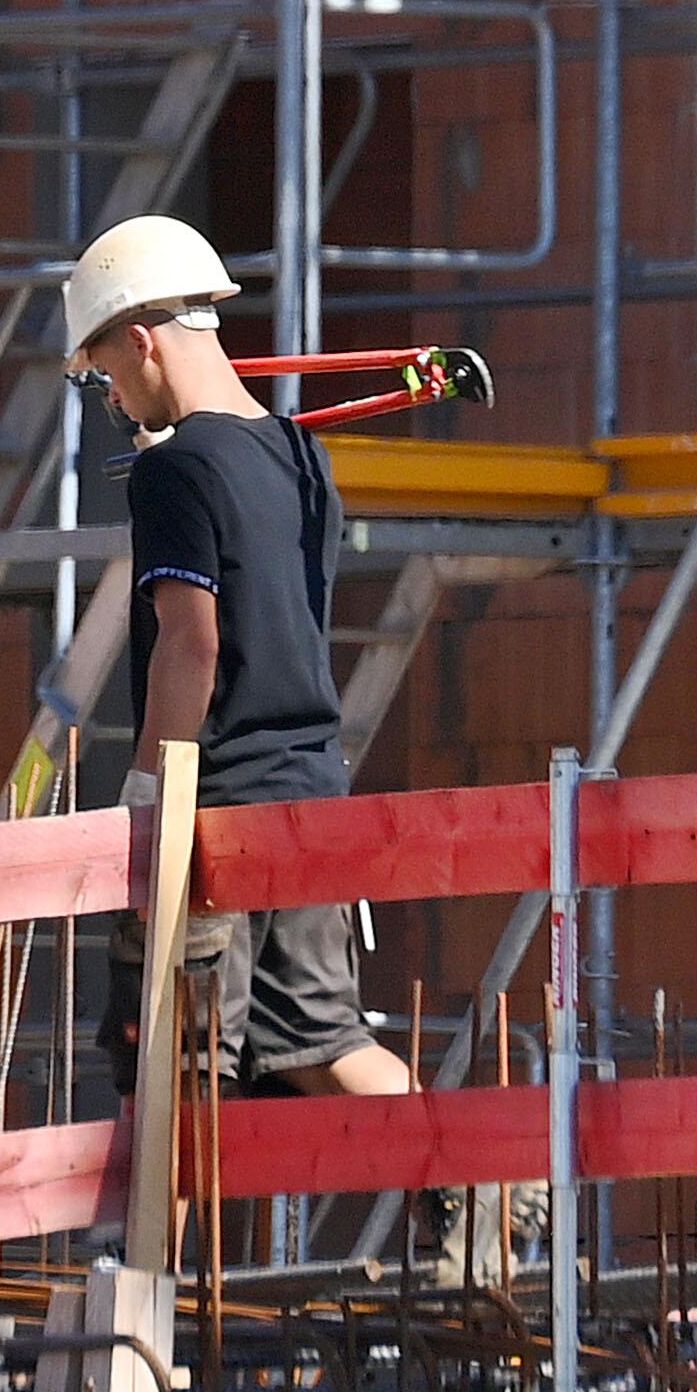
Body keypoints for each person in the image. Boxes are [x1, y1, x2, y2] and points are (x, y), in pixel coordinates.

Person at [61, 213, 416, 1107]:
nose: (114, 398)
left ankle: (157, 1247)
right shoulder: (301, 457)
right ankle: (485, 1168)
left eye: (107, 372)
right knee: (321, 1044)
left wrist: (147, 796)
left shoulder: (174, 474)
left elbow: (193, 644)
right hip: (311, 793)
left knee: (175, 1074)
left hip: (219, 813)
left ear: (141, 340)